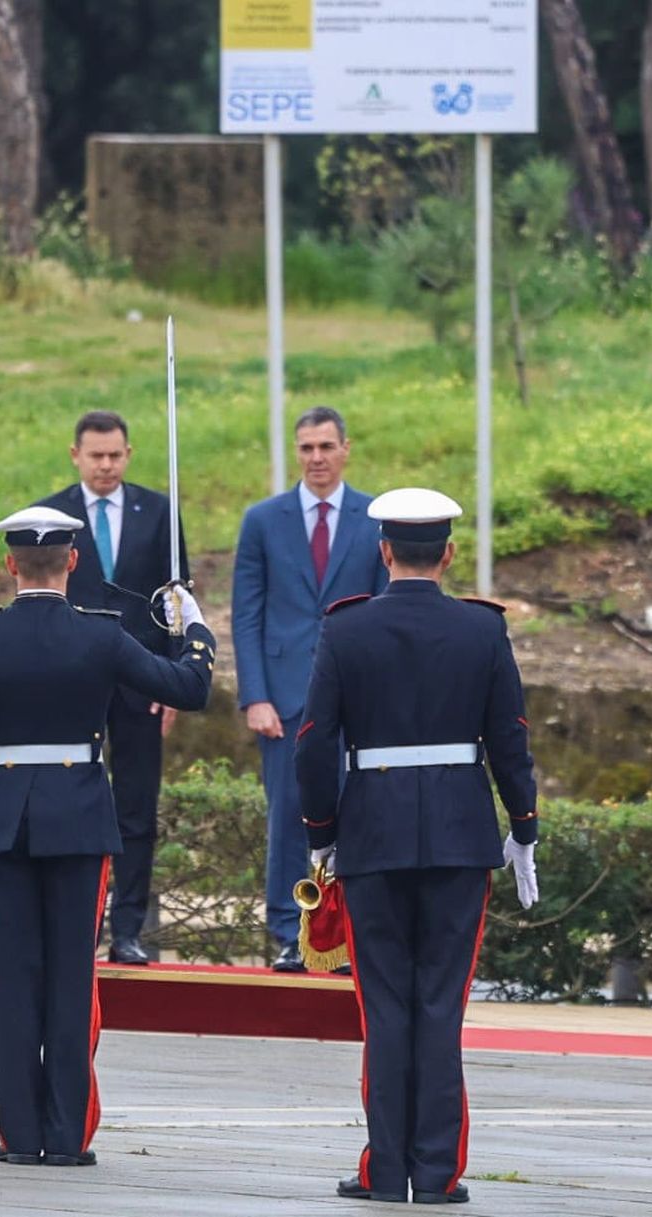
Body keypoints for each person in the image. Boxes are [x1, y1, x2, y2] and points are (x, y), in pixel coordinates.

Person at [0, 506, 214, 1168]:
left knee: (12, 979)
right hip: (79, 815)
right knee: (71, 978)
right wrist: (192, 626)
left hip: (2, 821)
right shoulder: (102, 637)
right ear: (73, 562)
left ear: (10, 565)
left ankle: (19, 1134)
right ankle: (67, 1135)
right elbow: (189, 687)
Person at [293, 487, 540, 1206]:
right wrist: (522, 826)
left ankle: (385, 1168)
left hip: (371, 835)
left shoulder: (346, 629)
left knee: (386, 1007)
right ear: (451, 554)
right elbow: (510, 736)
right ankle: (437, 1175)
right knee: (440, 1006)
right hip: (462, 838)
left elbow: (314, 747)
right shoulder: (482, 629)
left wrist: (323, 833)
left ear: (384, 552)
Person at [230, 405, 387, 972]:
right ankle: (286, 934)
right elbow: (245, 615)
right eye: (306, 448)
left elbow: (382, 612)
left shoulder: (375, 518)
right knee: (289, 817)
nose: (316, 458)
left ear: (346, 448)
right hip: (284, 699)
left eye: (326, 446)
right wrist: (255, 695)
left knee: (354, 818)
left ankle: (343, 937)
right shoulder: (262, 520)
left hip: (354, 698)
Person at [36, 411, 187, 965]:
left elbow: (177, 598)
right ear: (75, 454)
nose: (106, 465)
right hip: (71, 678)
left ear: (128, 453)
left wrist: (173, 678)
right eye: (96, 455)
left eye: (115, 455)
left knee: (137, 806)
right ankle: (74, 924)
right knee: (69, 799)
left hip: (141, 679)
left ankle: (128, 929)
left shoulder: (159, 511)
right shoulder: (51, 514)